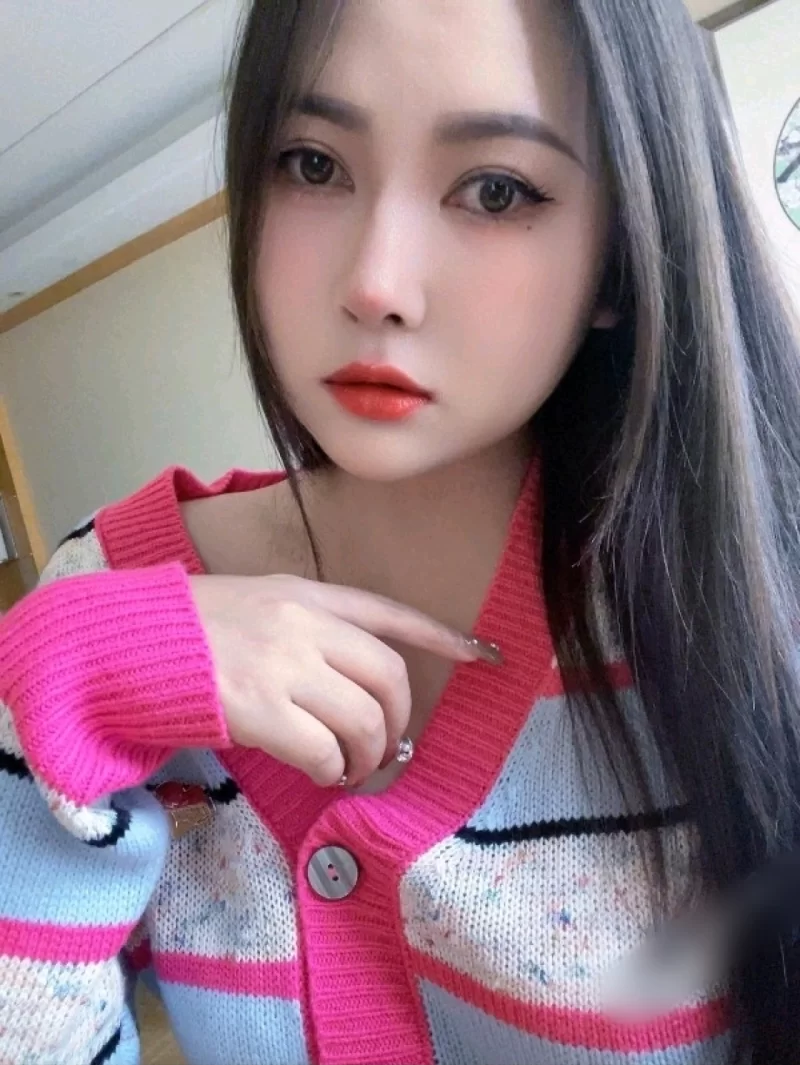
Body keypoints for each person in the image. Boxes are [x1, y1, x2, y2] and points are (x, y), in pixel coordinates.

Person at [1, 0, 799, 1061]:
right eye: (313, 165)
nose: (375, 283)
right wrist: (61, 677)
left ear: (619, 255)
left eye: (496, 189)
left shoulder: (739, 599)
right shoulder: (107, 594)